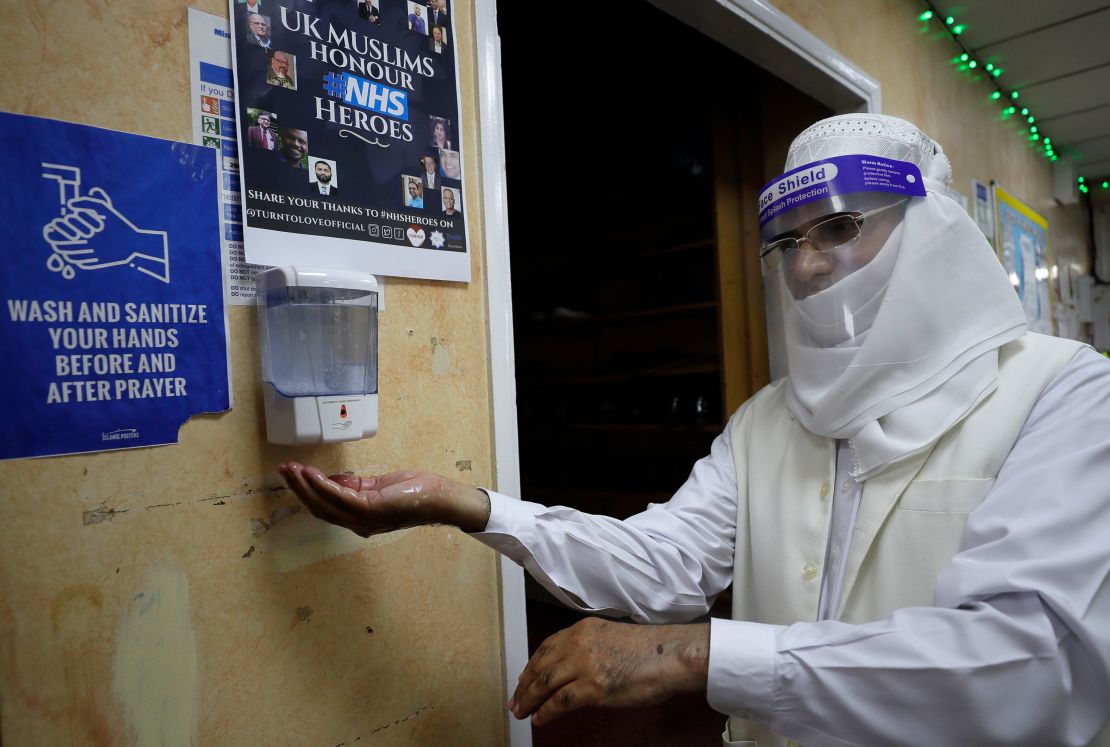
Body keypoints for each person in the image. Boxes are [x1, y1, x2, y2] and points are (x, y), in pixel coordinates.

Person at [278, 114, 1110, 746]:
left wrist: (693, 656)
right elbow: (664, 562)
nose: (810, 263)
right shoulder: (770, 421)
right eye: (789, 239)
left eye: (841, 226)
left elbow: (1028, 661)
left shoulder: (1061, 393)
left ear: (929, 229)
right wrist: (471, 506)